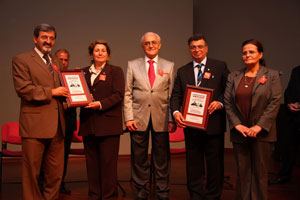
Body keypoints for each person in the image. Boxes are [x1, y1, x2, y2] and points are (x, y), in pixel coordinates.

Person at [12, 23, 68, 200]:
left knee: (55, 172)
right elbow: (24, 89)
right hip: (34, 125)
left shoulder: (56, 61)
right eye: (44, 37)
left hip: (57, 125)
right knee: (32, 173)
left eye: (52, 38)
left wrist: (71, 97)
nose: (48, 41)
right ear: (35, 38)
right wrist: (52, 92)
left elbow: (63, 86)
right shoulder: (21, 59)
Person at [170, 34, 229, 200]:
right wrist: (176, 112)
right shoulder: (183, 71)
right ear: (190, 50)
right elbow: (176, 95)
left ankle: (213, 196)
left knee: (215, 165)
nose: (197, 50)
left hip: (214, 125)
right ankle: (195, 195)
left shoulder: (219, 66)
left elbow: (229, 90)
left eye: (200, 46)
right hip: (191, 127)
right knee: (193, 165)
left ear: (206, 48)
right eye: (193, 47)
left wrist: (220, 102)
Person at [224, 39, 282, 199]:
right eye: (244, 52)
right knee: (242, 174)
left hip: (262, 134)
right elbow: (228, 103)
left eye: (251, 52)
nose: (247, 55)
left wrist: (259, 127)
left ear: (260, 54)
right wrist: (237, 125)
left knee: (260, 175)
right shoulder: (234, 76)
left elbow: (275, 102)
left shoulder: (272, 75)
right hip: (240, 133)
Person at [123, 32, 176, 200]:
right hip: (138, 118)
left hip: (161, 117)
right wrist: (129, 117)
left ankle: (162, 191)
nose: (151, 45)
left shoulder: (169, 65)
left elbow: (171, 95)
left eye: (154, 42)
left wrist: (171, 118)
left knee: (161, 157)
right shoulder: (132, 65)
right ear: (142, 46)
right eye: (147, 43)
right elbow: (127, 93)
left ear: (160, 45)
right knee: (139, 157)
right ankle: (140, 191)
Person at [78, 40, 125, 200]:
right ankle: (94, 196)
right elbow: (76, 93)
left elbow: (119, 95)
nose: (99, 53)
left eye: (103, 50)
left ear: (108, 54)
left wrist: (99, 104)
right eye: (96, 50)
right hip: (88, 124)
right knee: (91, 165)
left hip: (108, 125)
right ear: (91, 54)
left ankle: (109, 197)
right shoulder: (82, 73)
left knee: (108, 166)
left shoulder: (116, 71)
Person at [270, 65, 300, 184]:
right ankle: (284, 175)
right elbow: (289, 90)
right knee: (288, 149)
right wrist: (288, 104)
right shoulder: (297, 70)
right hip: (292, 118)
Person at [55, 49, 77, 194]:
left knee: (64, 156)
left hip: (68, 123)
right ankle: (45, 184)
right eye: (60, 59)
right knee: (50, 157)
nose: (63, 62)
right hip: (53, 124)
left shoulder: (71, 76)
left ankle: (61, 183)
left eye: (66, 60)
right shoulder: (49, 76)